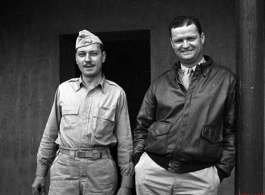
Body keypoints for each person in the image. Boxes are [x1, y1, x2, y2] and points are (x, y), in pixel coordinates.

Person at [132, 15, 236, 195]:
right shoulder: (161, 82)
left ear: (202, 38)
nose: (185, 45)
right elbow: (142, 125)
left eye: (191, 38)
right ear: (172, 43)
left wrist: (220, 171)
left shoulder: (225, 80)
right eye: (179, 40)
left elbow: (232, 130)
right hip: (153, 174)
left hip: (200, 177)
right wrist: (139, 160)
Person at [32, 30, 134, 195]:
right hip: (64, 170)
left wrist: (127, 184)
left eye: (93, 53)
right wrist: (40, 173)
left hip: (101, 171)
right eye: (82, 54)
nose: (87, 59)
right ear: (76, 58)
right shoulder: (64, 90)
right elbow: (49, 135)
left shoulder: (116, 93)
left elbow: (125, 142)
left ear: (103, 56)